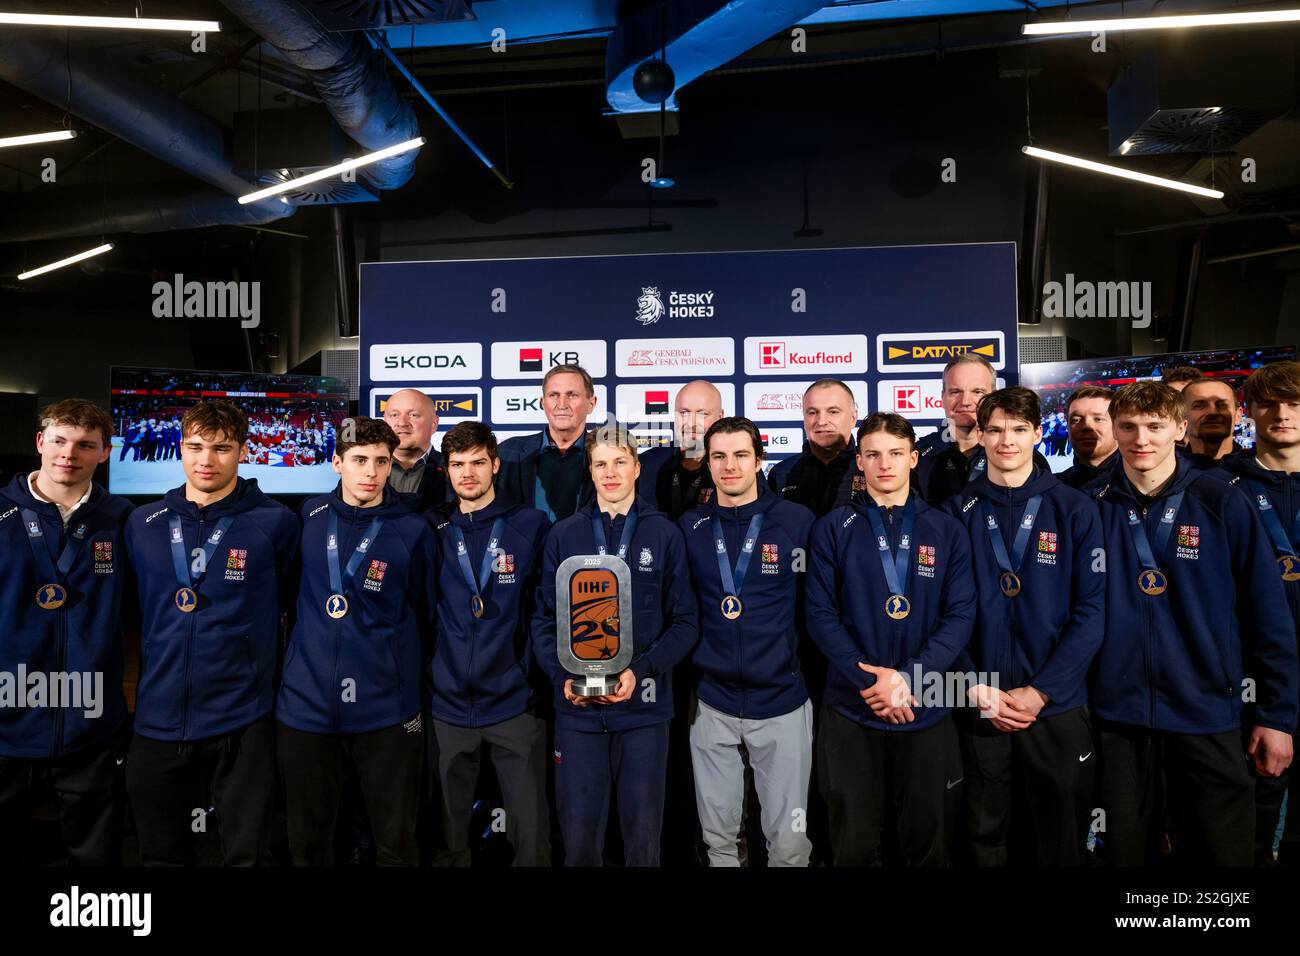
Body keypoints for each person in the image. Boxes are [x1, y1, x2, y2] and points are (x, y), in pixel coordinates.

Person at [1088, 382, 1296, 865]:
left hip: (1206, 714)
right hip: (1117, 720)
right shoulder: (1089, 505)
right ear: (1114, 430)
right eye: (1129, 427)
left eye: (1156, 426)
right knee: (1123, 854)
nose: (1142, 438)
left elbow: (1268, 615)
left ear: (1180, 429)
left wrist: (1276, 715)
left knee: (1221, 856)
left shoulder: (1221, 501)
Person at [124, 400, 300, 865]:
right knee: (160, 854)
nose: (206, 460)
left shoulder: (276, 523)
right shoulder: (142, 524)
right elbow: (133, 611)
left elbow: (289, 606)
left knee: (245, 855)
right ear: (180, 449)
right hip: (158, 717)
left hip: (242, 717)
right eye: (195, 447)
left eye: (221, 448)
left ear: (242, 451)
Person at [805, 412, 976, 865]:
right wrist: (871, 682)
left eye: (896, 454)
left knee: (926, 843)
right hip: (852, 707)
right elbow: (820, 615)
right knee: (854, 844)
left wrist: (909, 679)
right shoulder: (831, 528)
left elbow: (960, 616)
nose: (885, 464)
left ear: (913, 459)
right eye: (873, 455)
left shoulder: (946, 529)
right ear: (858, 462)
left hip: (926, 705)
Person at [945, 388, 1105, 866]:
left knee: (1058, 839)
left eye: (1018, 430)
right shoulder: (956, 513)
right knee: (982, 837)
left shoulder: (1075, 509)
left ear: (1038, 433)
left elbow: (1092, 611)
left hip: (1053, 706)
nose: (1006, 441)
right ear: (981, 434)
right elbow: (943, 616)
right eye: (995, 430)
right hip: (980, 704)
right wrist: (974, 686)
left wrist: (1042, 691)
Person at [532, 425, 698, 866]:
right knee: (580, 844)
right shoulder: (563, 535)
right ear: (590, 470)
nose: (610, 472)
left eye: (620, 462)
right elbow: (543, 619)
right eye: (601, 463)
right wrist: (561, 675)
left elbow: (685, 622)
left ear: (637, 467)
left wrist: (638, 671)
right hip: (577, 712)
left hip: (643, 710)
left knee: (643, 845)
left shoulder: (665, 535)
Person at [276, 417, 435, 866]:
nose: (370, 472)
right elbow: (289, 598)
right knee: (309, 844)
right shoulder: (307, 519)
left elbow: (424, 612)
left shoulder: (413, 530)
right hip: (307, 711)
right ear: (336, 462)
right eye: (359, 460)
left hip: (387, 712)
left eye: (381, 462)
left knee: (394, 842)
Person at [0, 400, 133, 866]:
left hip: (90, 725)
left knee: (94, 862)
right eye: (58, 440)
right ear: (40, 443)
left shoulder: (123, 520)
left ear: (105, 453)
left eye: (85, 445)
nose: (68, 454)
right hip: (7, 720)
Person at [678, 417, 815, 866]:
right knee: (719, 843)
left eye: (740, 455)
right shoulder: (690, 528)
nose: (729, 466)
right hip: (712, 704)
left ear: (759, 460)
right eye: (719, 456)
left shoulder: (797, 522)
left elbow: (816, 611)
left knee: (790, 844)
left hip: (782, 702)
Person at [427, 422, 552, 867]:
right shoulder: (433, 527)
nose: (468, 474)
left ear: (495, 465)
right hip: (447, 704)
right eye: (458, 465)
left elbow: (544, 610)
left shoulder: (529, 525)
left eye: (478, 463)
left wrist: (529, 675)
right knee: (449, 837)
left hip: (514, 701)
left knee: (531, 834)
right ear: (446, 469)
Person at [1214, 360, 1300, 863]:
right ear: (1249, 412)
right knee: (1248, 827)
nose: (1282, 415)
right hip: (1251, 683)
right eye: (1269, 404)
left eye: (1293, 404)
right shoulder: (1221, 488)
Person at [497, 365, 598, 521]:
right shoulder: (506, 453)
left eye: (572, 395)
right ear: (543, 402)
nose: (562, 404)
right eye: (554, 395)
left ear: (591, 403)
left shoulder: (607, 457)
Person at [638, 379, 728, 521]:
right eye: (684, 413)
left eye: (702, 414)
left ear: (720, 417)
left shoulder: (735, 465)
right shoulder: (645, 465)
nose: (691, 423)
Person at [769, 378, 859, 517]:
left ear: (853, 418)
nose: (821, 421)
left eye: (833, 412)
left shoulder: (872, 467)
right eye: (812, 412)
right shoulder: (781, 473)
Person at [382, 389, 448, 511]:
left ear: (434, 423)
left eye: (413, 415)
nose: (401, 423)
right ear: (385, 421)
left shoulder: (453, 469)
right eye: (394, 415)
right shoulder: (364, 469)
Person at [1059, 386, 1120, 489]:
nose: (1086, 426)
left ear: (1118, 426)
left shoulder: (1144, 486)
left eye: (1098, 419)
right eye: (1076, 420)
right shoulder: (1053, 490)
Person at [1183, 377, 1245, 468]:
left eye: (1222, 405)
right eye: (1199, 406)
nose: (1212, 412)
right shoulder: (1165, 475)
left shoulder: (1260, 471)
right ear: (1181, 416)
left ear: (1238, 415)